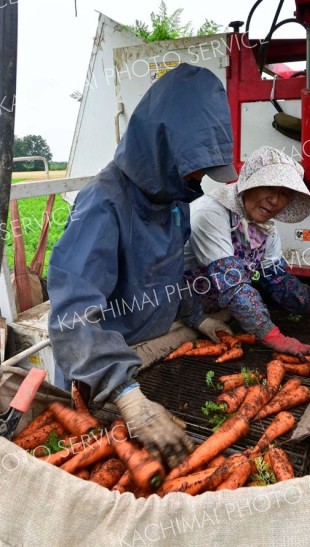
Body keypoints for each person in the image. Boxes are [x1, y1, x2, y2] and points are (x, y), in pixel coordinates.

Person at [47, 63, 236, 469]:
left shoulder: (175, 204)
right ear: (161, 150)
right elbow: (71, 315)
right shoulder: (104, 202)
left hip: (149, 361)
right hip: (101, 376)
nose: (200, 176)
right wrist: (127, 395)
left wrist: (198, 318)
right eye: (194, 164)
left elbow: (170, 277)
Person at [184, 145, 310, 356]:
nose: (275, 200)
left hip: (216, 313)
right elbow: (232, 284)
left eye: (284, 194)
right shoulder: (211, 213)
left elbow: (275, 276)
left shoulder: (266, 228)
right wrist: (273, 337)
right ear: (249, 183)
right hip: (178, 310)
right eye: (270, 187)